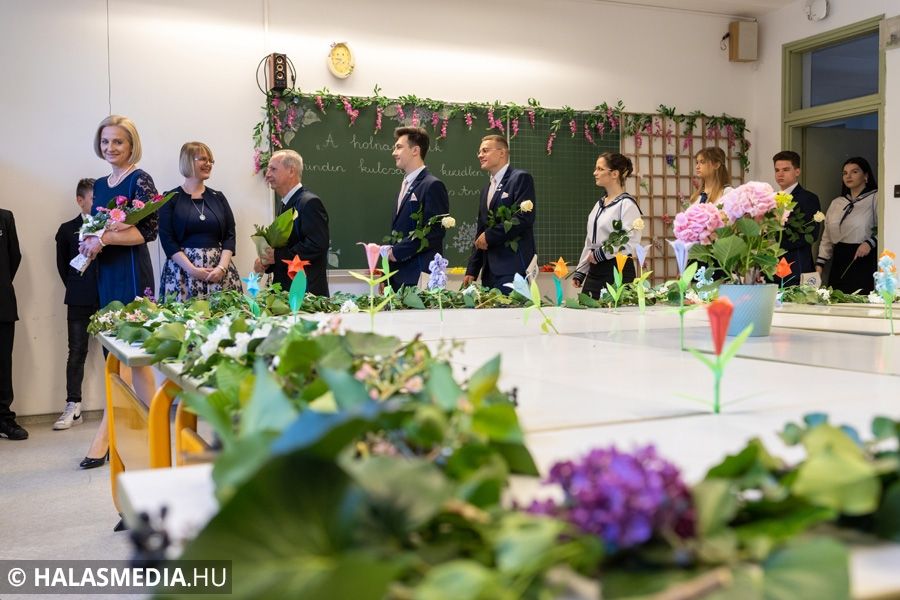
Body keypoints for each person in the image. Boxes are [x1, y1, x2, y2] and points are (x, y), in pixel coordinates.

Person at [77, 115, 159, 469]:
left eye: (118, 142)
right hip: (106, 273)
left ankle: (106, 435)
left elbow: (147, 232)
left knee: (128, 354)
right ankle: (157, 425)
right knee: (128, 358)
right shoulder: (99, 184)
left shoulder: (140, 179)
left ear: (131, 145)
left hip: (131, 272)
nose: (110, 147)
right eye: (105, 141)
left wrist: (105, 238)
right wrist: (89, 241)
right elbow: (97, 229)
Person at [159, 142, 241, 301]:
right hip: (182, 274)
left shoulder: (218, 197)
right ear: (187, 161)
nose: (208, 164)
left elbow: (230, 236)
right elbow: (167, 240)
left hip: (219, 273)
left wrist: (221, 268)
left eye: (211, 160)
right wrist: (192, 270)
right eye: (203, 159)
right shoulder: (169, 199)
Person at [53, 178, 100, 430]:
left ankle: (121, 406)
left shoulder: (110, 229)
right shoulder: (66, 230)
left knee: (115, 354)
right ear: (80, 200)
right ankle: (73, 404)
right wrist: (78, 287)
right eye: (93, 198)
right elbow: (63, 267)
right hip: (79, 298)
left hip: (107, 298)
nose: (98, 203)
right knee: (77, 351)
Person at [463, 135, 537, 291]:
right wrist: (472, 269)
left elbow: (524, 218)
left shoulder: (520, 178)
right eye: (479, 152)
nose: (480, 155)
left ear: (502, 153)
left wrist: (490, 236)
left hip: (512, 268)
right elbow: (481, 230)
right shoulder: (486, 189)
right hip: (489, 271)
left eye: (485, 151)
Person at [254, 150, 330, 296]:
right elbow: (288, 246)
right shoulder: (284, 204)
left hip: (306, 294)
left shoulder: (309, 203)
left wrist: (276, 256)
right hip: (287, 292)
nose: (267, 174)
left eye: (273, 169)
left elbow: (317, 245)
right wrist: (267, 262)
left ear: (291, 171)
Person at [385, 127, 450, 289]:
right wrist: (387, 275)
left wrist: (396, 252)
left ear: (415, 150)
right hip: (397, 276)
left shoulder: (432, 185)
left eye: (399, 147)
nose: (394, 152)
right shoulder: (405, 184)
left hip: (419, 276)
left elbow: (434, 232)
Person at [572, 153, 642, 298]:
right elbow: (590, 242)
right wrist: (581, 271)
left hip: (618, 270)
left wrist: (602, 254)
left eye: (600, 169)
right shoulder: (599, 205)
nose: (595, 173)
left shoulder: (627, 204)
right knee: (587, 309)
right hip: (595, 271)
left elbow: (630, 240)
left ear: (615, 174)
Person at [816, 157, 878, 294]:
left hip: (862, 258)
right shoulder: (836, 203)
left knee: (860, 299)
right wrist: (820, 264)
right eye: (845, 173)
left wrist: (870, 242)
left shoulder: (875, 198)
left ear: (866, 176)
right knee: (837, 298)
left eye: (854, 172)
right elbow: (827, 237)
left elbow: (887, 228)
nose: (848, 176)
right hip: (839, 258)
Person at [772, 151, 821, 282]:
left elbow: (811, 235)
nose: (780, 174)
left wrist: (776, 244)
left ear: (797, 171)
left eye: (786, 170)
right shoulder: (771, 199)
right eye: (777, 170)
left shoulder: (808, 198)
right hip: (771, 264)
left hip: (796, 263)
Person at [0, 208, 25, 440]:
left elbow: (14, 256)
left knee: (3, 364)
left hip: (2, 303)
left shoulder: (5, 217)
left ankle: (4, 418)